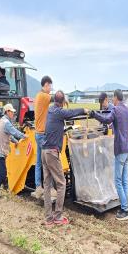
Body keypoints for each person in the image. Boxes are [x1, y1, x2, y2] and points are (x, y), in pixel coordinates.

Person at [41, 91, 88, 225]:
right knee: (62, 184)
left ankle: (49, 218)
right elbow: (71, 113)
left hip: (44, 151)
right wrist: (84, 110)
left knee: (47, 185)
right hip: (51, 152)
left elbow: (61, 118)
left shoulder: (51, 110)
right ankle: (58, 217)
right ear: (62, 102)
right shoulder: (59, 112)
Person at [90, 89, 128, 221]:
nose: (112, 100)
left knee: (118, 181)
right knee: (124, 179)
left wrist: (94, 114)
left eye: (113, 98)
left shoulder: (115, 110)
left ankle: (125, 210)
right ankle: (126, 203)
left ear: (116, 98)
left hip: (120, 149)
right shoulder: (127, 110)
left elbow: (106, 119)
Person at [0, 103, 26, 200]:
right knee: (3, 174)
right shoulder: (6, 123)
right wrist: (24, 136)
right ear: (7, 112)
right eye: (12, 112)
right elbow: (14, 131)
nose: (13, 114)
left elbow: (9, 135)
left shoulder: (3, 121)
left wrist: (15, 141)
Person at [32, 76, 57, 200]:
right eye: (50, 86)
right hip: (42, 134)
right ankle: (51, 188)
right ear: (46, 85)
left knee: (38, 162)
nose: (51, 89)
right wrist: (63, 98)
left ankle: (38, 187)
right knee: (48, 161)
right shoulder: (44, 96)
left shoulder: (37, 96)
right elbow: (56, 98)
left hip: (38, 133)